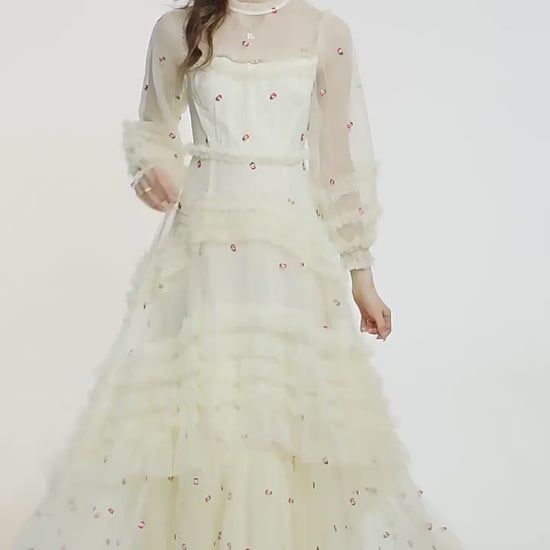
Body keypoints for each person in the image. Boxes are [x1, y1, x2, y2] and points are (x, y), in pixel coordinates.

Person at [11, 0, 465, 548]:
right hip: (205, 246)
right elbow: (155, 128)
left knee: (285, 407)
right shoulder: (178, 28)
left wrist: (360, 271)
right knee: (201, 402)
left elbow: (336, 162)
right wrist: (152, 167)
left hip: (289, 248)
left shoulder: (325, 32)